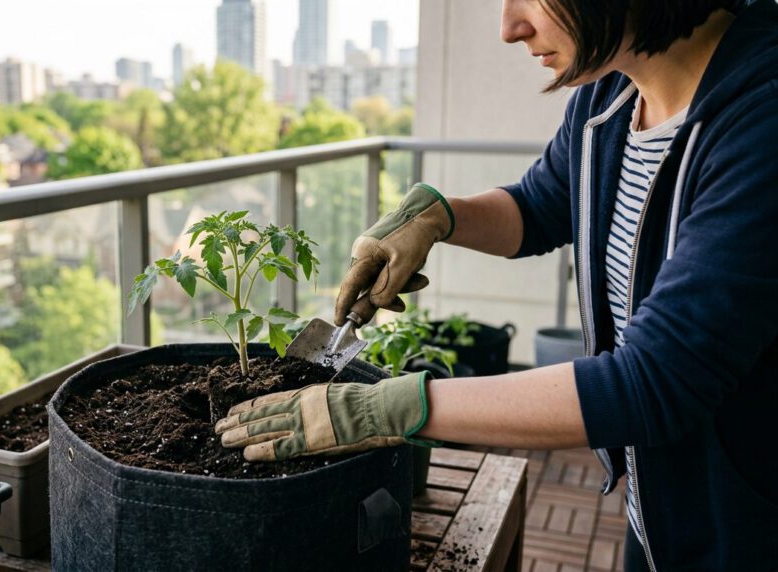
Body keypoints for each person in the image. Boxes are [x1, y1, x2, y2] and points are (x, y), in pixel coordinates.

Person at [214, 0, 778, 569]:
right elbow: (540, 206)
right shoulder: (612, 93)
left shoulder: (761, 119)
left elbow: (654, 382)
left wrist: (390, 407)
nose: (510, 28)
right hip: (662, 510)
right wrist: (438, 216)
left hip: (747, 524)